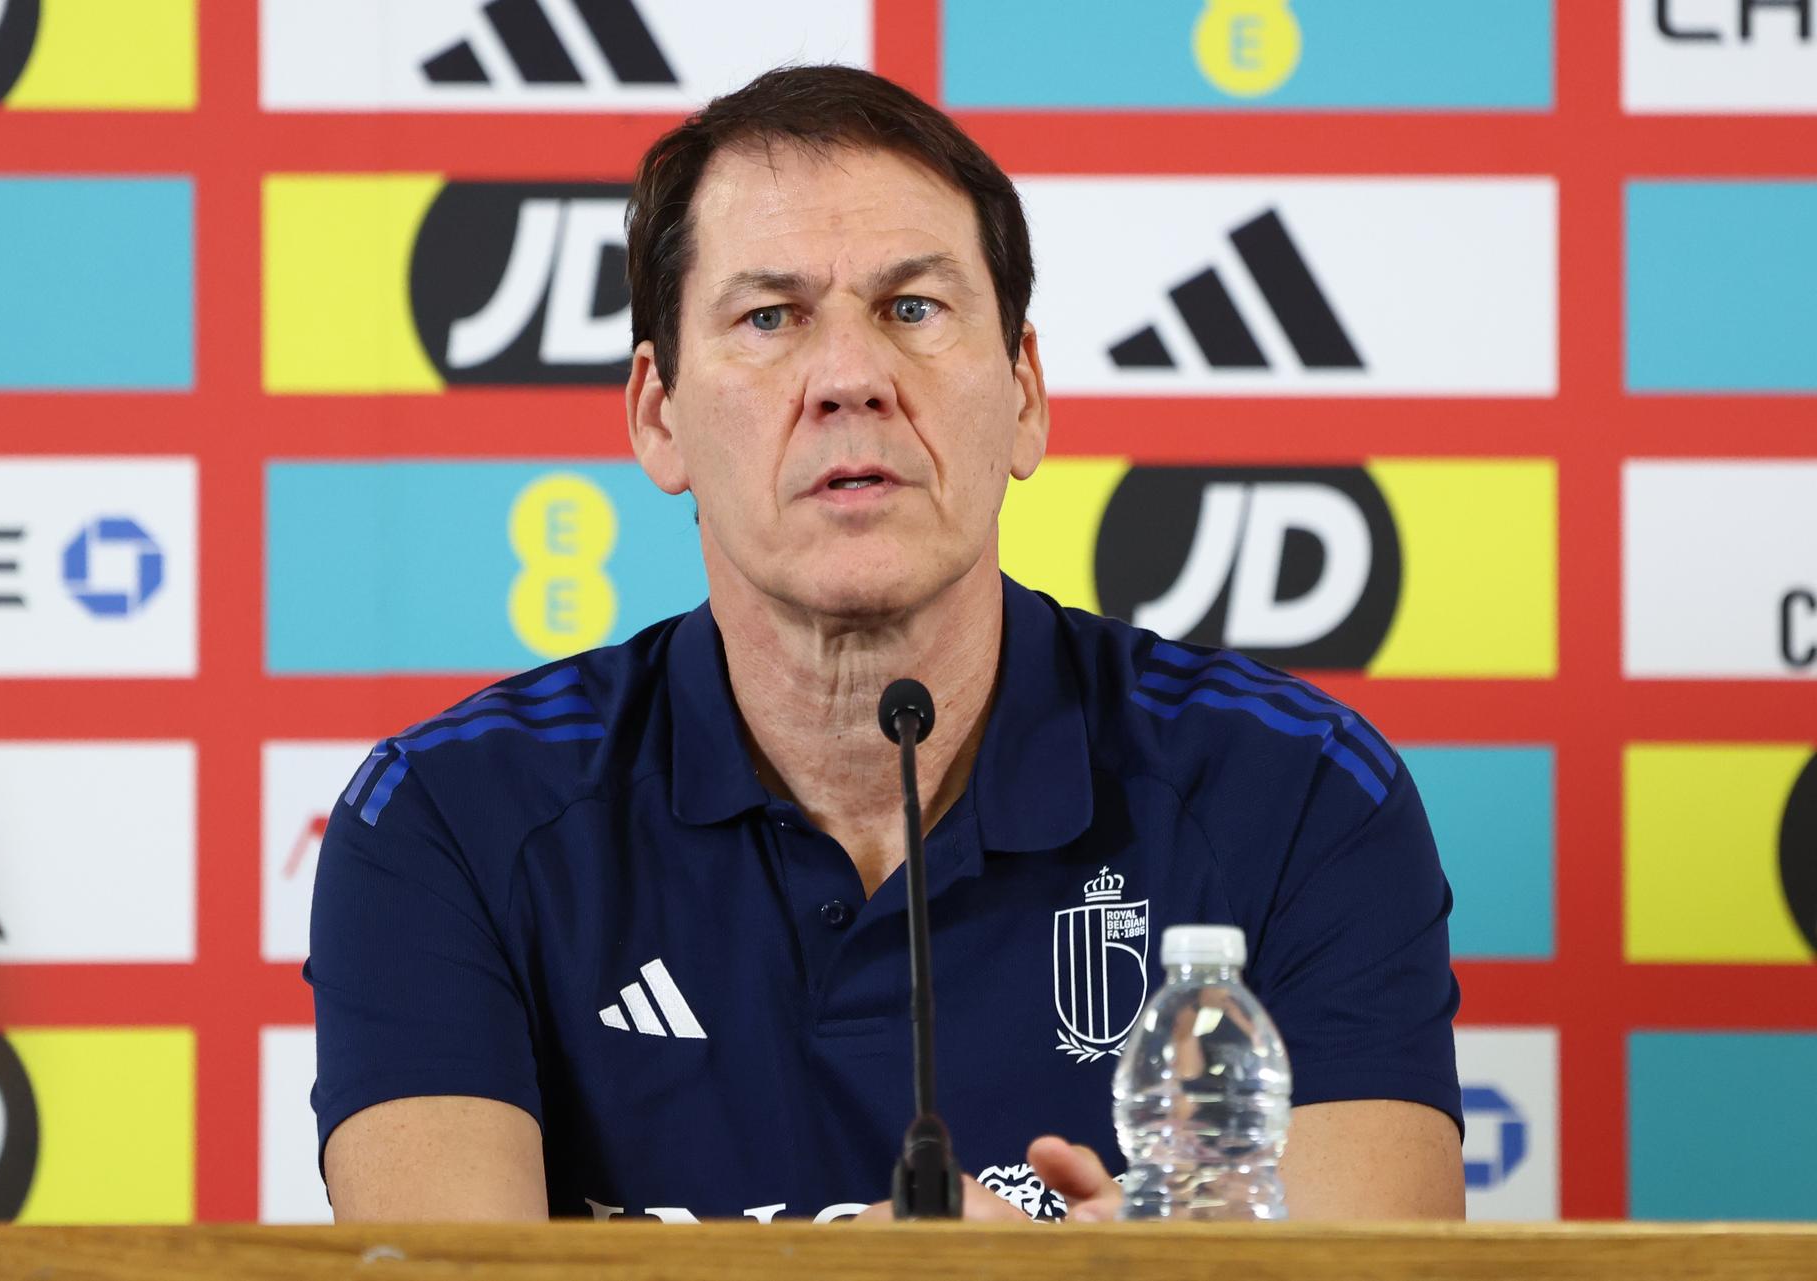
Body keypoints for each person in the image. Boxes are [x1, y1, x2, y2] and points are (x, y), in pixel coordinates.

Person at [307, 64, 1465, 1224]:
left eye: (914, 309)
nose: (852, 378)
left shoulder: (1296, 792)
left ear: (1024, 395)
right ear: (659, 417)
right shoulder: (451, 820)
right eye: (770, 318)